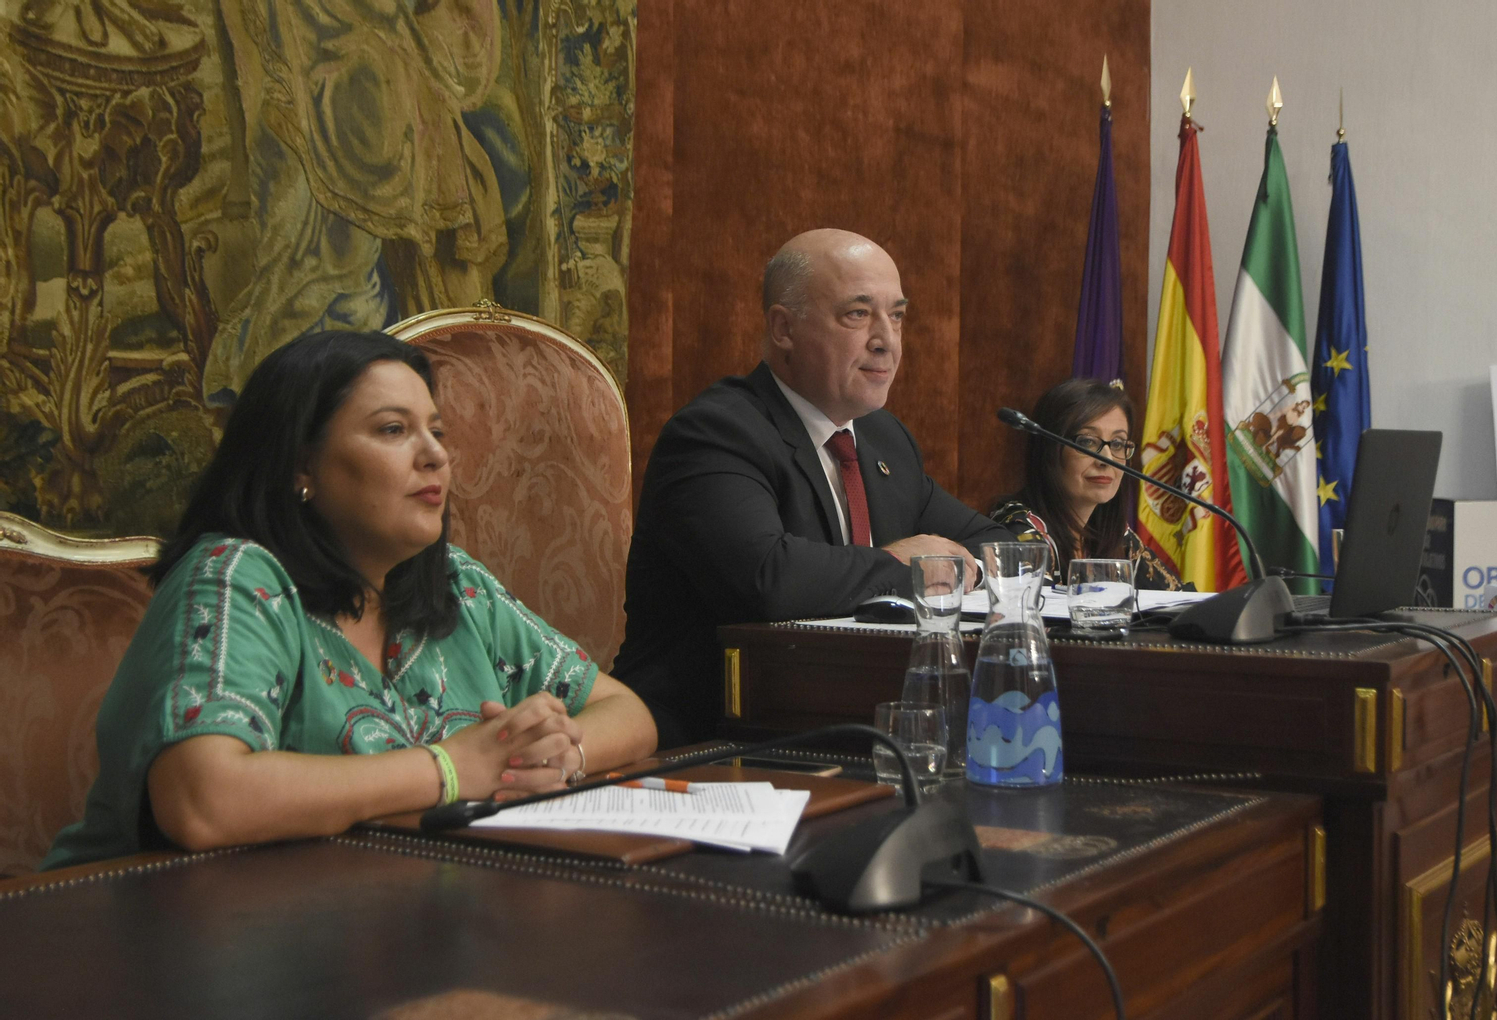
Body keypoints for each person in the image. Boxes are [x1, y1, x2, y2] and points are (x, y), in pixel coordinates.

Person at [43, 331, 656, 869]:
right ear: (300, 463)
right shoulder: (236, 577)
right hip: (159, 946)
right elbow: (204, 801)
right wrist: (450, 769)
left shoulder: (455, 586)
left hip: (382, 921)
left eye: (436, 431)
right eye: (393, 430)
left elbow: (628, 714)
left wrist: (548, 757)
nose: (436, 453)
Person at [613, 229, 1011, 747]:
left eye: (897, 316)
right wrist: (904, 567)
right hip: (711, 736)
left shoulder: (883, 439)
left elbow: (997, 542)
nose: (886, 340)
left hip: (852, 718)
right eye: (857, 314)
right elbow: (770, 580)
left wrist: (960, 566)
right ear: (783, 328)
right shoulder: (717, 432)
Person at [991, 378, 1184, 591]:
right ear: (1049, 451)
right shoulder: (1019, 531)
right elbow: (1038, 618)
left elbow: (1180, 598)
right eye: (1087, 442)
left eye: (1118, 444)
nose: (1107, 459)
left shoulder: (1110, 532)